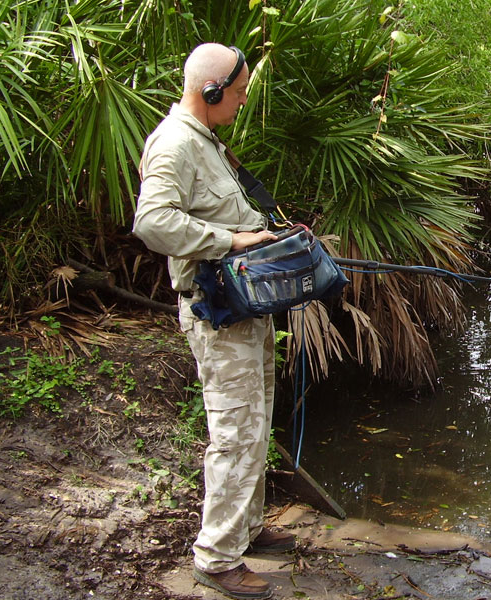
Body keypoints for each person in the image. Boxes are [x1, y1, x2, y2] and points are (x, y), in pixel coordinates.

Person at [133, 42, 295, 600]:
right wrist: (232, 240)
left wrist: (270, 237)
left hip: (244, 306)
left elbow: (225, 209)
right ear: (211, 91)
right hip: (216, 313)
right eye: (242, 92)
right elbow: (153, 222)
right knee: (234, 432)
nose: (245, 101)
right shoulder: (176, 143)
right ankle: (217, 558)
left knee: (257, 421)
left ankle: (247, 529)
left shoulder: (205, 142)